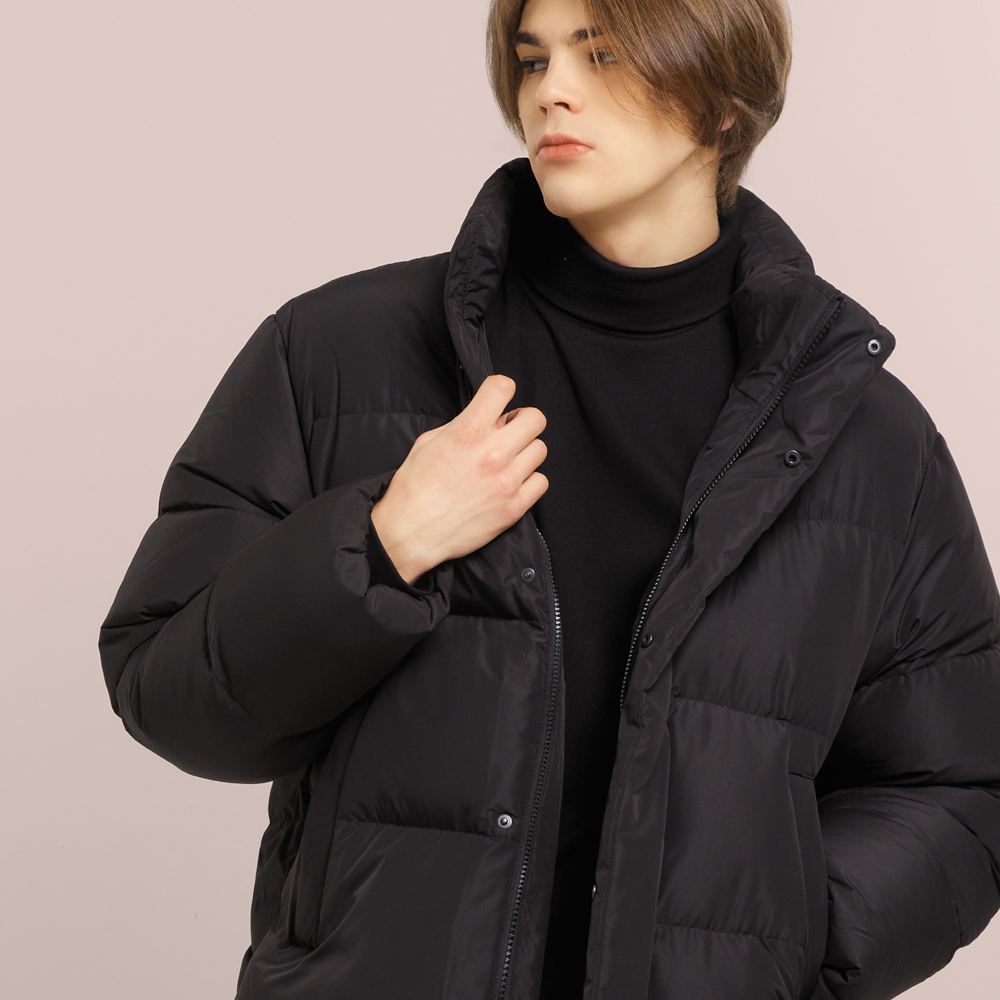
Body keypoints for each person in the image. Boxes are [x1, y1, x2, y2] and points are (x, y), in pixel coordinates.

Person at [98, 0, 1000, 996]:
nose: (551, 93)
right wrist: (382, 545)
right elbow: (172, 698)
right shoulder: (336, 355)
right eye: (534, 59)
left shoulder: (859, 436)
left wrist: (781, 947)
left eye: (602, 54)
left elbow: (957, 783)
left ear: (723, 101)